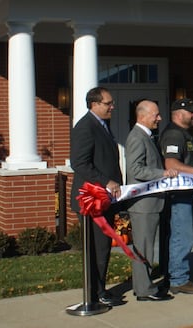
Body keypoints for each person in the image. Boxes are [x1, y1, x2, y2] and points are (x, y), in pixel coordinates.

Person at [69, 86, 123, 306]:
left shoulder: (102, 125)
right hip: (91, 200)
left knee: (103, 247)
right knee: (96, 248)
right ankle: (93, 294)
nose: (113, 106)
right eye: (108, 103)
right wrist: (106, 181)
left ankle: (100, 289)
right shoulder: (85, 127)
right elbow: (79, 163)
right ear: (94, 104)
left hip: (104, 199)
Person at [124, 100, 177, 301]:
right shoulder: (137, 137)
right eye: (156, 114)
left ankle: (144, 286)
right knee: (143, 248)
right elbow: (135, 170)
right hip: (143, 204)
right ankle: (144, 291)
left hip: (152, 203)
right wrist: (162, 173)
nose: (159, 118)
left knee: (145, 247)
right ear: (143, 116)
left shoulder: (147, 136)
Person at [160, 98, 193, 295]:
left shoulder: (184, 134)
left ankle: (176, 274)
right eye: (191, 112)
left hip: (186, 193)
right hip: (178, 194)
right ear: (179, 114)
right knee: (182, 236)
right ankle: (178, 279)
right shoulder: (174, 134)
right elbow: (171, 164)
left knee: (182, 235)